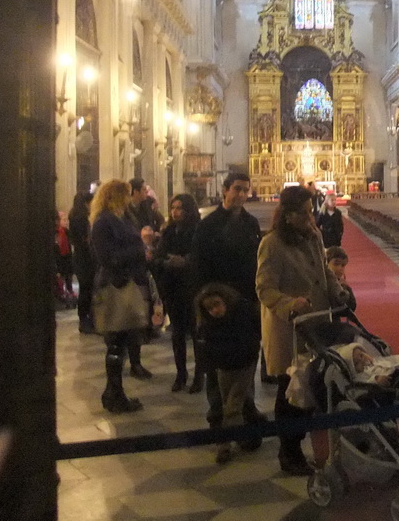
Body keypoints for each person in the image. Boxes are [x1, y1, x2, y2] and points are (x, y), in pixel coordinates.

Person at [257, 184, 347, 475]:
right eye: (306, 213)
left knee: (310, 387)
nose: (312, 217)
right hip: (290, 329)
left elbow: (324, 271)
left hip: (318, 322)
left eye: (311, 211)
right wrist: (289, 303)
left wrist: (340, 293)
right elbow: (264, 288)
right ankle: (290, 451)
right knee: (291, 392)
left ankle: (300, 441)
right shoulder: (271, 244)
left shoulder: (313, 236)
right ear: (288, 215)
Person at [191, 172, 266, 432]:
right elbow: (199, 265)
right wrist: (208, 301)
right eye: (237, 189)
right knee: (218, 360)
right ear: (225, 190)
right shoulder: (208, 224)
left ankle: (246, 406)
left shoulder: (251, 223)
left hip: (244, 302)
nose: (242, 195)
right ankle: (217, 411)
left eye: (246, 190)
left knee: (246, 356)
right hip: (217, 303)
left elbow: (256, 264)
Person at [89, 180, 155, 413]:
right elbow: (108, 258)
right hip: (115, 288)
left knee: (123, 342)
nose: (129, 199)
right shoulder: (103, 222)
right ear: (115, 196)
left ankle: (114, 392)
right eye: (125, 195)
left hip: (127, 284)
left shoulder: (121, 218)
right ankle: (113, 394)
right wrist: (140, 248)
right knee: (116, 343)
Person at [194, 283, 262, 464]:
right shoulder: (208, 327)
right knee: (225, 403)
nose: (215, 310)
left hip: (244, 365)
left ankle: (225, 444)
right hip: (223, 367)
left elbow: (252, 335)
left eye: (217, 305)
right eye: (210, 308)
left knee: (233, 406)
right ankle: (239, 436)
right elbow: (205, 348)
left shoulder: (241, 314)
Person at [152, 194, 203, 394]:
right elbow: (157, 257)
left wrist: (185, 262)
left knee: (196, 332)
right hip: (173, 288)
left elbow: (201, 256)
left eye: (180, 208)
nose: (175, 212)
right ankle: (181, 374)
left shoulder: (198, 230)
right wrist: (166, 262)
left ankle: (200, 375)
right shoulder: (168, 231)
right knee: (177, 333)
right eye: (173, 207)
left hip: (192, 287)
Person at [68, 191, 96, 333]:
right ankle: (85, 320)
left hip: (80, 257)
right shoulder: (81, 218)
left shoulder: (74, 215)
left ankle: (86, 318)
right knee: (86, 289)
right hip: (84, 258)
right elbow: (85, 239)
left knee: (86, 289)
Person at [325, 246, 356, 313]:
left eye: (343, 265)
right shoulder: (320, 281)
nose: (340, 268)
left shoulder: (342, 284)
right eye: (336, 264)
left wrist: (346, 289)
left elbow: (352, 307)